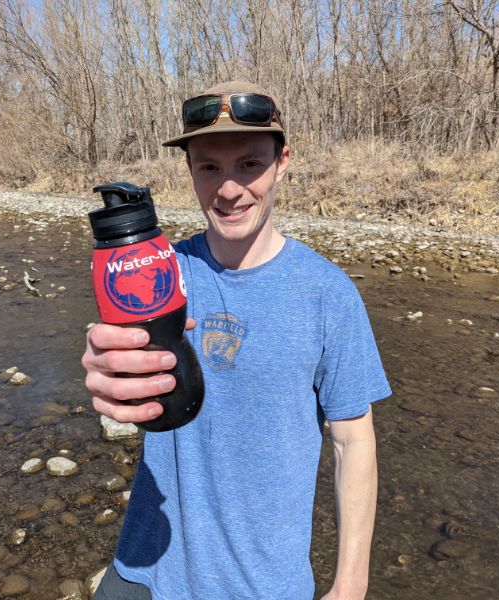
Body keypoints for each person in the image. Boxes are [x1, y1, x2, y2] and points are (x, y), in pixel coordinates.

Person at [82, 81, 391, 600]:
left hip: (264, 584)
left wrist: (351, 583)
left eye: (249, 165)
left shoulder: (327, 294)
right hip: (145, 571)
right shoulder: (160, 272)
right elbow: (113, 352)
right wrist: (102, 366)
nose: (228, 190)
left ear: (282, 162)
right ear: (191, 171)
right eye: (209, 168)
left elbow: (353, 439)